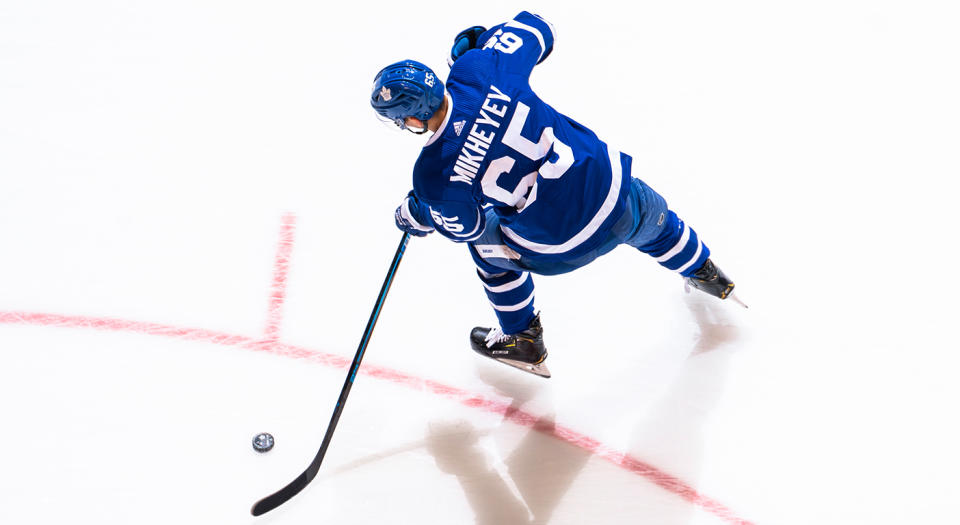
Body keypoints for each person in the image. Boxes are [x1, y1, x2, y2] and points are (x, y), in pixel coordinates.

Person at [370, 11, 741, 378]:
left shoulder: (432, 174)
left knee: (486, 248)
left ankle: (522, 338)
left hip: (559, 245)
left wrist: (418, 213)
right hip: (612, 192)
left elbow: (466, 226)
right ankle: (708, 273)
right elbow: (539, 28)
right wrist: (485, 44)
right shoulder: (478, 68)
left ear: (413, 119)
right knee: (656, 224)